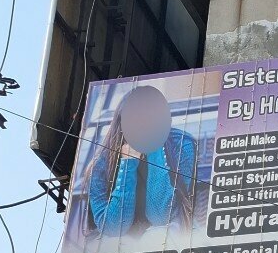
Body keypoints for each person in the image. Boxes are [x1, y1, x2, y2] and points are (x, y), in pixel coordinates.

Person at [82, 84, 196, 238]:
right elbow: (114, 228)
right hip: (120, 246)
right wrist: (127, 164)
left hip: (170, 238)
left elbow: (161, 216)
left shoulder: (181, 144)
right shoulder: (100, 166)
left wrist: (155, 145)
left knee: (158, 234)